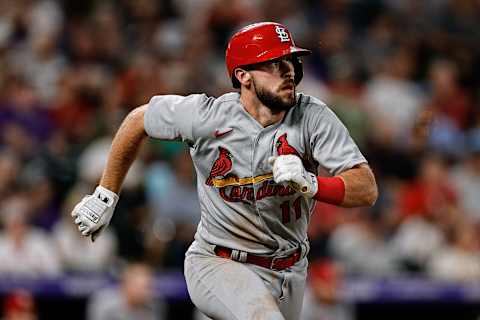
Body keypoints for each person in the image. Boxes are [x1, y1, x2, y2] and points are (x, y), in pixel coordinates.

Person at [71, 22, 377, 320]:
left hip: (290, 270)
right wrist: (106, 194)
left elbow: (366, 188)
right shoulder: (208, 116)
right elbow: (138, 120)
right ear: (243, 75)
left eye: (291, 61)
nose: (288, 71)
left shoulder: (313, 117)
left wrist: (312, 184)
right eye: (273, 63)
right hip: (218, 260)